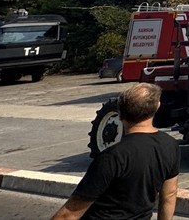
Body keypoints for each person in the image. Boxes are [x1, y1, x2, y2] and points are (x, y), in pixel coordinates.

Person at [51, 84, 179, 220]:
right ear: (157, 106)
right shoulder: (170, 145)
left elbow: (68, 214)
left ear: (120, 113)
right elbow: (169, 194)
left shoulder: (112, 157)